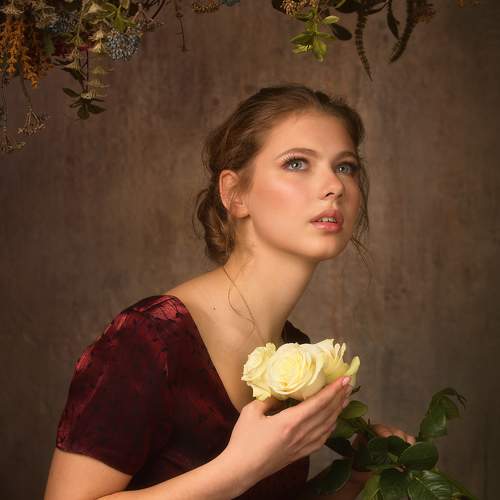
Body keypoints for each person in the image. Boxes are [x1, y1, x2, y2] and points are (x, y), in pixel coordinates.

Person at [44, 83, 415, 500]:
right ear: (235, 194)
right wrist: (240, 469)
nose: (335, 185)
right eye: (297, 163)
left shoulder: (295, 351)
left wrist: (354, 482)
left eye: (345, 166)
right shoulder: (149, 338)